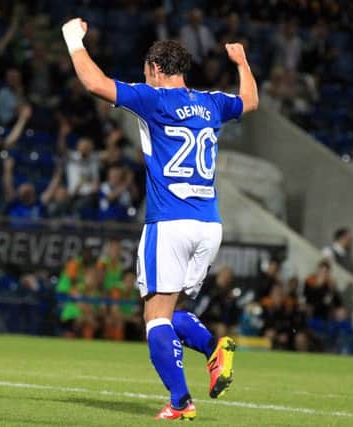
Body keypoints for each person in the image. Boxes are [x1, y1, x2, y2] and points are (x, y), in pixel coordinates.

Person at [61, 18, 258, 420]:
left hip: (169, 221)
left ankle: (181, 401)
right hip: (209, 224)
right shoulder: (212, 102)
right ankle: (214, 349)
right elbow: (250, 102)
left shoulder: (153, 99)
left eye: (145, 71)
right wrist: (241, 63)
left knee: (154, 317)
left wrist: (72, 39)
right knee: (169, 310)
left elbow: (95, 84)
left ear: (154, 68)